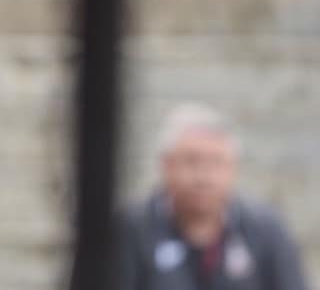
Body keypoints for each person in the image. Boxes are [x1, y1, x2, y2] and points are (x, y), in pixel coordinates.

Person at [118, 103, 311, 290]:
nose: (204, 177)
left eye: (217, 162)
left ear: (234, 169)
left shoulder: (265, 230)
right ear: (166, 165)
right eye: (191, 161)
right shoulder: (130, 230)